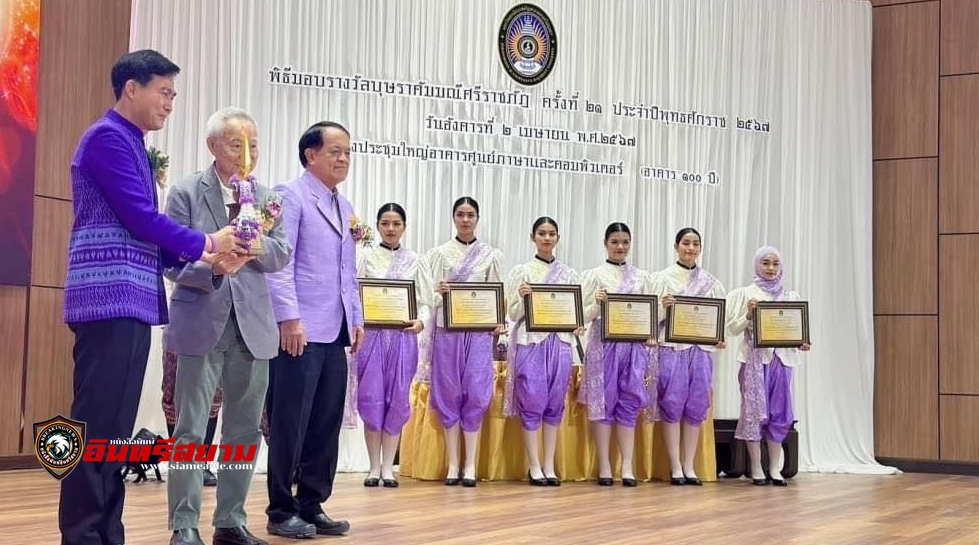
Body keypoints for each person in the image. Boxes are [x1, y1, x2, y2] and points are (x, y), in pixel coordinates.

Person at [60, 49, 243, 545]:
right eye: (164, 92)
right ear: (131, 88)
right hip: (107, 297)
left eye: (174, 95)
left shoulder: (133, 144)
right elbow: (142, 218)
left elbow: (145, 238)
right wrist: (208, 244)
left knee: (113, 429)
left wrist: (207, 261)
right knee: (97, 426)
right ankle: (82, 534)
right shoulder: (107, 138)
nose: (170, 103)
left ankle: (104, 531)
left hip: (131, 299)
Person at [163, 107, 292, 545]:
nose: (246, 153)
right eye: (237, 144)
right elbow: (170, 260)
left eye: (253, 145)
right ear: (212, 146)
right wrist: (213, 267)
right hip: (202, 318)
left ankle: (231, 521)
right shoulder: (185, 192)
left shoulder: (269, 197)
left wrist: (256, 246)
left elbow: (282, 254)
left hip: (254, 327)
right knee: (191, 427)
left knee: (244, 429)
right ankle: (183, 525)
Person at [265, 121, 364, 538]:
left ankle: (313, 501)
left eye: (347, 152)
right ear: (311, 154)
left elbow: (347, 271)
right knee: (290, 419)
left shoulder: (343, 205)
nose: (343, 159)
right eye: (335, 151)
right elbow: (279, 263)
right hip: (300, 328)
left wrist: (355, 317)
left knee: (325, 420)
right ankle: (280, 509)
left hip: (335, 327)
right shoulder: (290, 195)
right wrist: (288, 317)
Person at [425, 196, 505, 487]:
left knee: (475, 392)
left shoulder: (491, 255)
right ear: (453, 218)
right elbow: (429, 297)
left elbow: (497, 295)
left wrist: (498, 321)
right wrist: (441, 292)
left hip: (479, 334)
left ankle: (470, 464)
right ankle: (453, 463)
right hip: (448, 332)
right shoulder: (440, 254)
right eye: (460, 214)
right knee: (448, 393)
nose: (465, 219)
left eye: (470, 214)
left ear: (478, 218)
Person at [352, 203, 433, 488]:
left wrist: (421, 322)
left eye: (396, 223)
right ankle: (373, 467)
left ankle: (389, 468)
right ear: (377, 225)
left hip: (403, 339)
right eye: (385, 223)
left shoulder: (415, 260)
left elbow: (425, 302)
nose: (390, 229)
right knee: (371, 398)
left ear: (404, 227)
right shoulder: (365, 257)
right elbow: (354, 295)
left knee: (397, 399)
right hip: (371, 339)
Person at [503, 216, 583, 486]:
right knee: (532, 400)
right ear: (533, 237)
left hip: (559, 344)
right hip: (531, 342)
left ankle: (549, 465)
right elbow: (512, 313)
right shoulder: (522, 272)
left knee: (554, 404)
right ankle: (534, 465)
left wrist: (578, 325)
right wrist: (524, 299)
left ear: (558, 238)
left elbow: (576, 315)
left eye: (551, 234)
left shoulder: (570, 275)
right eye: (541, 233)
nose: (547, 238)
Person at [578, 222, 656, 487]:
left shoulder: (642, 277)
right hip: (602, 346)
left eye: (625, 242)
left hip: (633, 348)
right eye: (615, 242)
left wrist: (650, 335)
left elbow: (650, 316)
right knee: (602, 404)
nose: (620, 247)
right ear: (605, 244)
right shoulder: (594, 276)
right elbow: (582, 315)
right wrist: (596, 304)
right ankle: (604, 465)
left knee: (629, 405)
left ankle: (628, 466)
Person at [726, 246, 810, 486]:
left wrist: (803, 341)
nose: (771, 268)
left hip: (782, 361)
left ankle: (774, 468)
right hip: (754, 359)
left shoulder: (790, 297)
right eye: (765, 263)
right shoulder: (744, 294)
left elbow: (797, 331)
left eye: (775, 263)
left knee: (780, 414)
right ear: (756, 265)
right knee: (753, 413)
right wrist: (748, 316)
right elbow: (731, 330)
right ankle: (756, 468)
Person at [650, 227, 726, 486]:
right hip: (672, 349)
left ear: (700, 248)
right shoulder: (662, 279)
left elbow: (718, 319)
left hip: (701, 351)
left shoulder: (712, 283)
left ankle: (689, 465)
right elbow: (652, 321)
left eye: (695, 244)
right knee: (672, 403)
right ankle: (674, 466)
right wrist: (664, 308)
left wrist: (718, 336)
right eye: (685, 243)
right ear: (676, 246)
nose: (690, 248)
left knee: (695, 406)